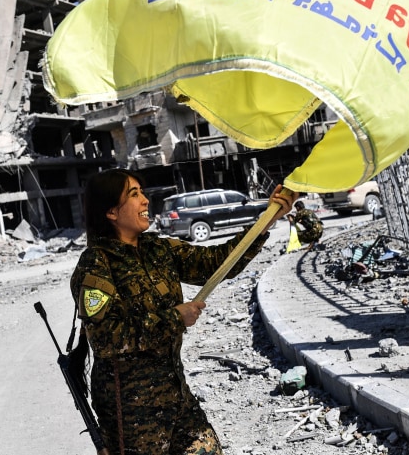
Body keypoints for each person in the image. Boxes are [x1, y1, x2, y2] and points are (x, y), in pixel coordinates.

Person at [70, 169, 294, 454]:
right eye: (134, 195)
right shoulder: (97, 264)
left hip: (175, 395)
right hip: (131, 414)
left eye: (142, 192)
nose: (145, 201)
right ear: (112, 212)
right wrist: (175, 318)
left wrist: (268, 217)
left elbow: (217, 262)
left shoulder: (157, 249)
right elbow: (105, 338)